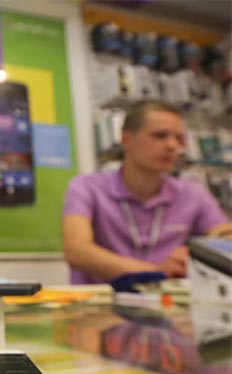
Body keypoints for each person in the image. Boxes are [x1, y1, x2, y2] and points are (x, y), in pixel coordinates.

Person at [62, 100, 231, 284]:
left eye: (179, 138)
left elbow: (225, 237)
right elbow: (77, 252)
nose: (172, 145)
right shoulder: (86, 187)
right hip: (101, 300)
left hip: (170, 299)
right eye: (160, 135)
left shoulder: (191, 193)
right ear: (126, 140)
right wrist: (157, 272)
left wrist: (196, 252)